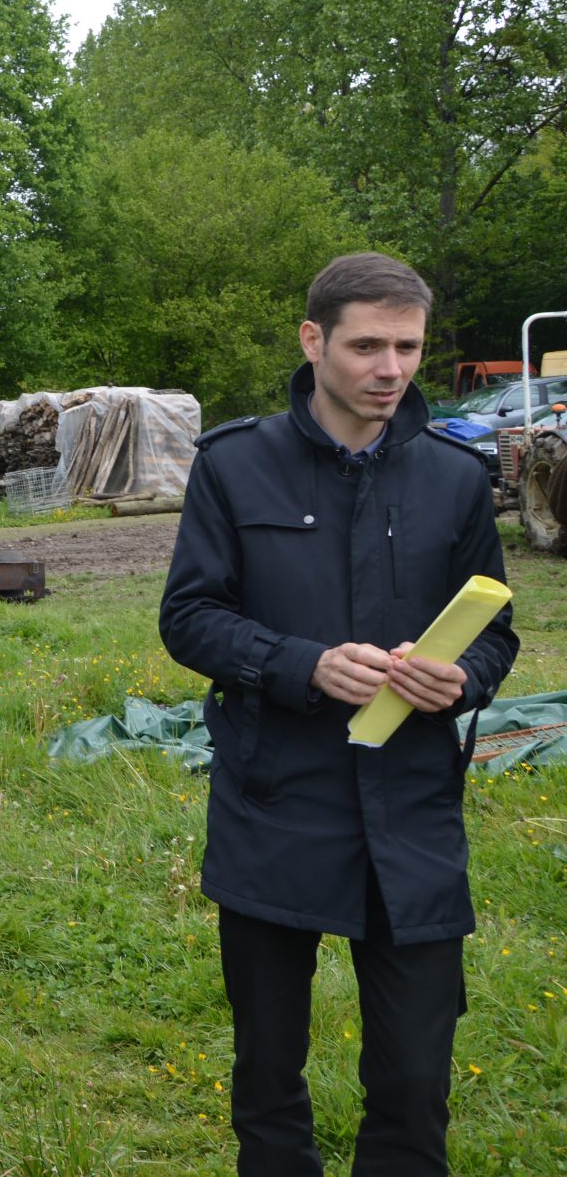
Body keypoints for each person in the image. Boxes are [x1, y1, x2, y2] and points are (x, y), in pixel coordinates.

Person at [160, 253, 519, 1176]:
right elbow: (189, 617)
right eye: (367, 347)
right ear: (313, 341)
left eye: (408, 347)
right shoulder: (236, 466)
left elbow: (495, 629)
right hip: (276, 797)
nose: (390, 370)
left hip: (413, 810)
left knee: (414, 1079)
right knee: (268, 1069)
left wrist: (463, 679)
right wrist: (304, 664)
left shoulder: (454, 477)